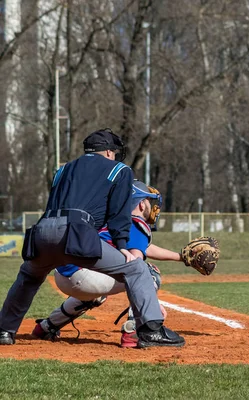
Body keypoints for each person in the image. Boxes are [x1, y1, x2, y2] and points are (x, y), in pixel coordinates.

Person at [0, 128, 184, 348]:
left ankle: (5, 331)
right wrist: (122, 244)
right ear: (108, 152)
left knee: (28, 277)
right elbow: (118, 213)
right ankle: (151, 331)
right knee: (136, 268)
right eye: (114, 152)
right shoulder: (119, 170)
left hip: (42, 231)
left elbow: (54, 205)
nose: (114, 156)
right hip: (76, 233)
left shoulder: (62, 169)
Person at [32, 180, 185, 348]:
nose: (152, 207)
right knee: (148, 273)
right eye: (149, 202)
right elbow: (136, 263)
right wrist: (151, 306)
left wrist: (181, 257)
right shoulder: (135, 222)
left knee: (99, 292)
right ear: (141, 204)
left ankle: (47, 326)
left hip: (64, 274)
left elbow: (145, 248)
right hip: (86, 277)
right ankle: (133, 331)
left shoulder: (110, 219)